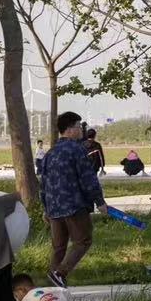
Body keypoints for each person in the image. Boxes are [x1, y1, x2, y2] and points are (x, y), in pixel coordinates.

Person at [36, 111, 106, 287]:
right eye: (79, 126)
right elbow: (88, 178)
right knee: (83, 241)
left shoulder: (50, 153)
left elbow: (43, 183)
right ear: (70, 129)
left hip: (54, 208)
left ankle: (53, 287)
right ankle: (60, 273)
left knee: (59, 248)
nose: (81, 130)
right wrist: (99, 201)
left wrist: (45, 208)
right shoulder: (77, 150)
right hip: (74, 205)